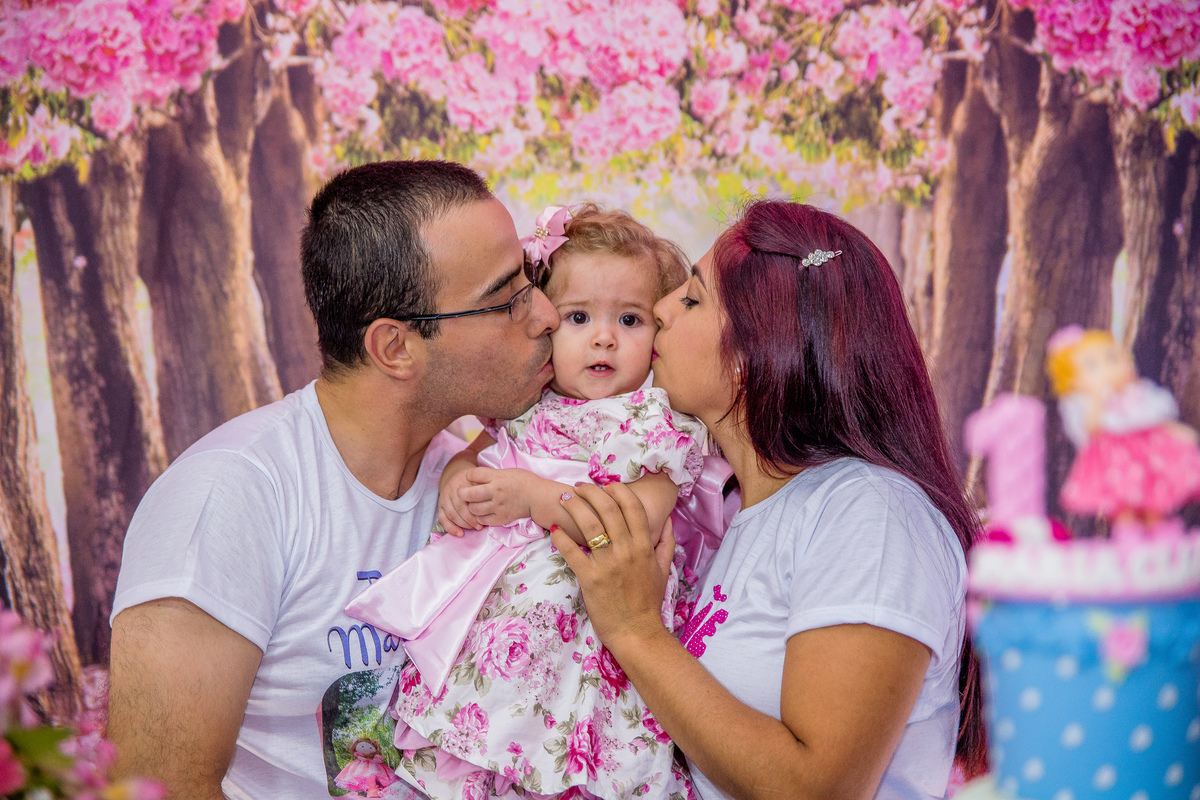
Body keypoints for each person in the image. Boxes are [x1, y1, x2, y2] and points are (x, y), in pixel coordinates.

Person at [106, 160, 560, 799]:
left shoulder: (488, 482)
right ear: (395, 347)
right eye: (507, 299)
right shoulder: (231, 497)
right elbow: (154, 788)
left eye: (533, 278)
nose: (547, 314)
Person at [548, 200, 988, 800]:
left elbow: (817, 789)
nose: (661, 309)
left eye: (692, 299)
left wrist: (635, 631)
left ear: (749, 355)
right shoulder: (729, 513)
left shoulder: (871, 513)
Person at [347, 203, 716, 799]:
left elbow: (639, 521)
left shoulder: (656, 423)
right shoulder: (525, 403)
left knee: (565, 760)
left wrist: (531, 497)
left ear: (658, 333)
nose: (603, 337)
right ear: (545, 323)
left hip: (588, 640)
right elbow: (472, 455)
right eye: (578, 317)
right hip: (500, 631)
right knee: (484, 748)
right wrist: (458, 483)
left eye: (629, 319)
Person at [1045, 325, 1200, 529]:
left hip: (1149, 456)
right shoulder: (1085, 403)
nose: (1107, 368)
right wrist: (1097, 398)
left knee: (1154, 492)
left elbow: (1157, 417)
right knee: (1122, 499)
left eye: (1113, 358)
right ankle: (1127, 529)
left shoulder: (1139, 393)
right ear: (1074, 379)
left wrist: (1175, 431)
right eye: (1092, 365)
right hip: (1114, 462)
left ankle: (1158, 525)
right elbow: (1089, 428)